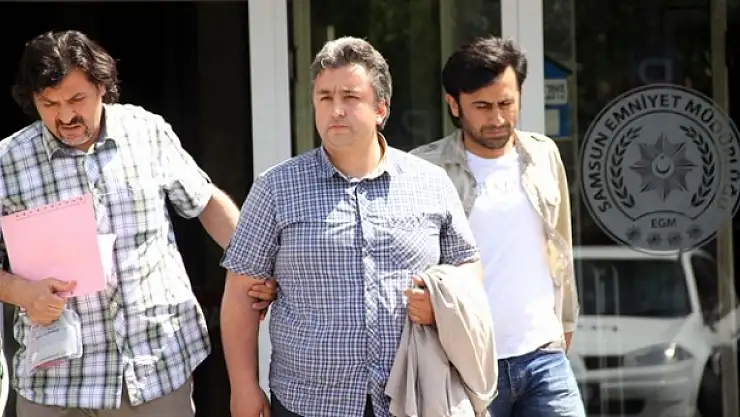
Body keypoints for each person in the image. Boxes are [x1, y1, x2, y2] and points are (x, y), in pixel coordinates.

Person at [0, 30, 274, 417]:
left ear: (102, 86)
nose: (65, 116)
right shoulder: (8, 160)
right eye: (50, 104)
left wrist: (259, 266)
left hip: (156, 367)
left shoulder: (147, 132)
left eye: (77, 99)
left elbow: (206, 203)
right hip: (57, 381)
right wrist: (23, 293)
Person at [220, 36, 481, 417]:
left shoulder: (430, 183)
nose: (336, 110)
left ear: (381, 109)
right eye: (325, 98)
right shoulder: (275, 188)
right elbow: (240, 293)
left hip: (412, 397)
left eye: (350, 97)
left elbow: (469, 266)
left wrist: (441, 304)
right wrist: (243, 385)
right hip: (308, 402)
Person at [410, 36, 585, 417]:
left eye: (506, 103)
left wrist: (566, 320)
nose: (498, 118)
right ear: (454, 105)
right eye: (483, 106)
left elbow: (561, 243)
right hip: (466, 363)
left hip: (544, 356)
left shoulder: (543, 154)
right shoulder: (423, 169)